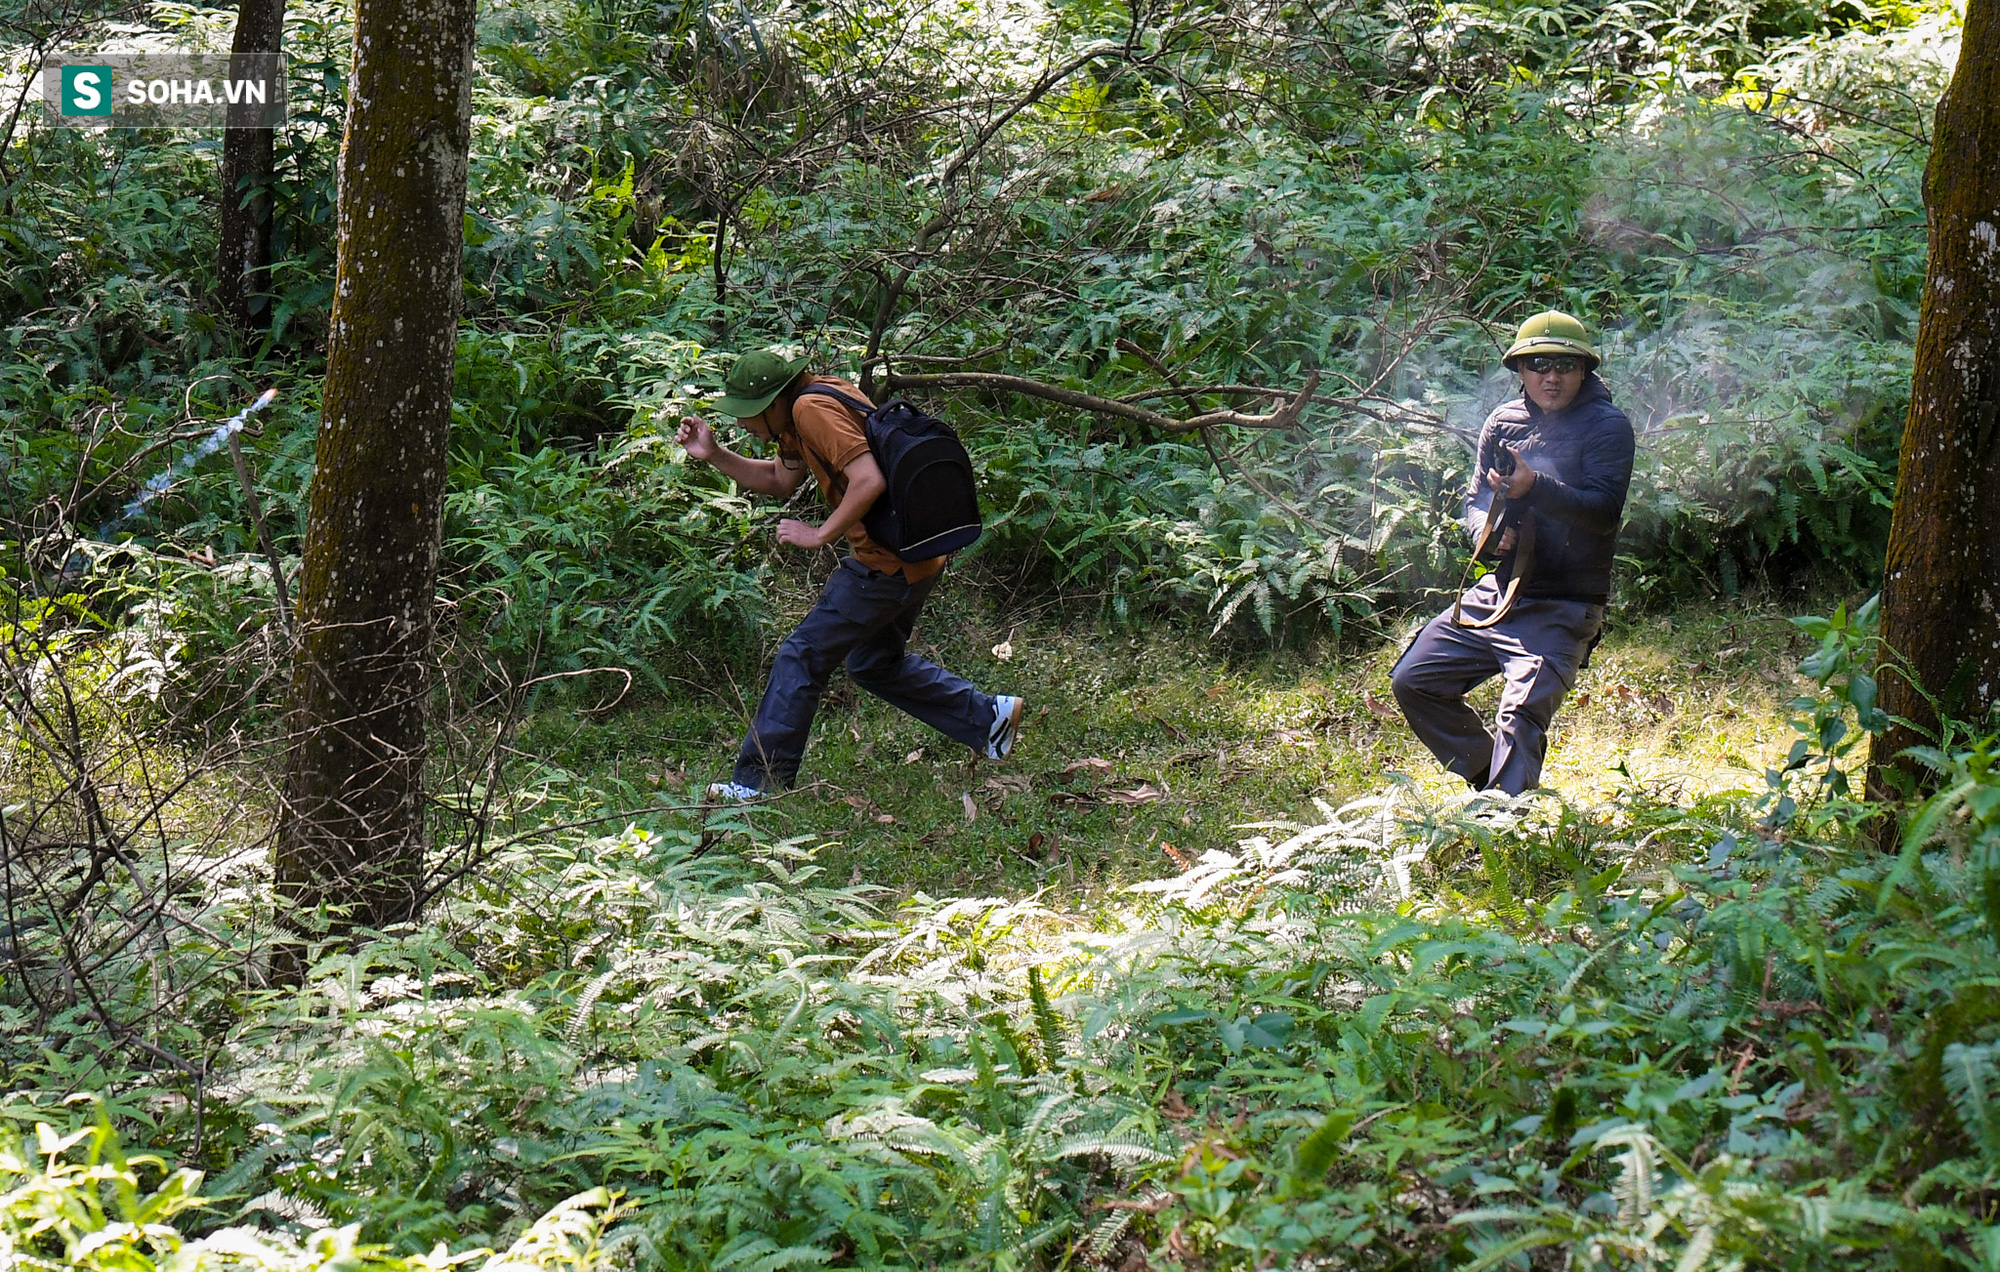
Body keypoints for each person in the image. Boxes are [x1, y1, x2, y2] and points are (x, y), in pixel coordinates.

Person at [675, 349, 1024, 800]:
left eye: (749, 414)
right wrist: (716, 454)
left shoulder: (809, 409)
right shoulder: (812, 401)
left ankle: (758, 786)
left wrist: (819, 534)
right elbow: (781, 481)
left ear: (776, 402)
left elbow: (868, 480)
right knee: (873, 664)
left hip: (884, 564)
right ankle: (989, 717)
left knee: (801, 655)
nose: (743, 425)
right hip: (915, 558)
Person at [1389, 311, 1636, 795]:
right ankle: (1493, 782)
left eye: (1564, 365)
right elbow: (1475, 502)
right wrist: (1486, 530)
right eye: (1538, 363)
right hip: (1497, 594)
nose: (1551, 376)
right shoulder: (1502, 422)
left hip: (1563, 604)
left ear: (1583, 370)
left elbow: (1604, 511)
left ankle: (1507, 825)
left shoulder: (1607, 426)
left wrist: (1535, 486)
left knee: (1519, 714)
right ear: (1520, 370)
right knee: (1414, 681)